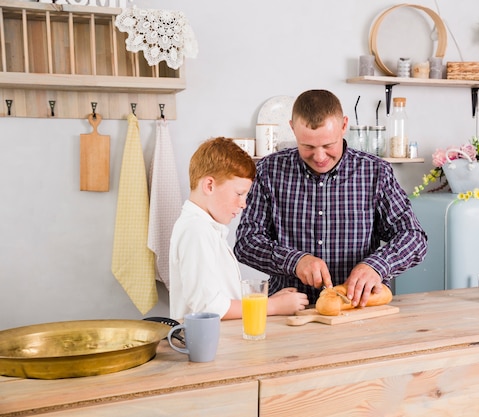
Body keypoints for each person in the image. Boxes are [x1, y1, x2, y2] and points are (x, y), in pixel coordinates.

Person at [234, 90, 428, 307]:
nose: (319, 157)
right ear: (292, 128)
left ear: (344, 126)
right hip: (287, 311)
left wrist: (377, 266)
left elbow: (413, 237)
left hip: (359, 309)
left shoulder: (376, 172)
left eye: (328, 145)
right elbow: (246, 242)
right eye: (307, 146)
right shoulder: (268, 171)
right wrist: (294, 261)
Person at [169, 137, 309, 320]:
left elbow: (224, 297)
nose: (244, 204)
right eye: (239, 194)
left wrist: (265, 300)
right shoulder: (196, 231)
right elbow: (209, 306)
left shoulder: (206, 228)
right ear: (209, 185)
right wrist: (272, 306)